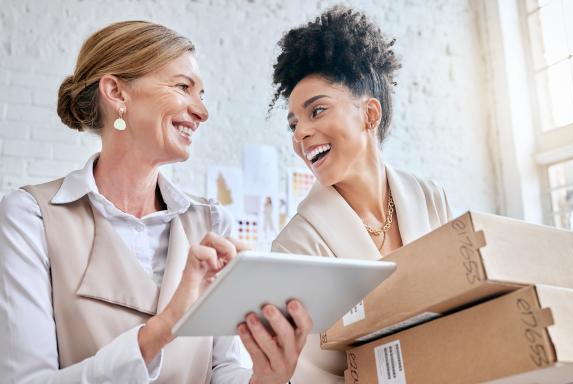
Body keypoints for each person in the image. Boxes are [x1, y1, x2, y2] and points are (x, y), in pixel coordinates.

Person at [0, 21, 312, 383]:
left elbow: (223, 370)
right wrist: (161, 329)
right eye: (183, 87)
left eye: (202, 94)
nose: (202, 111)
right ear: (116, 92)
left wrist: (268, 376)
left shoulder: (211, 222)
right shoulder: (31, 218)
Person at [270, 7, 452, 383]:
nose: (300, 134)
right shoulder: (295, 247)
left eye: (316, 111)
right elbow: (312, 376)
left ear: (370, 114)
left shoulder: (432, 199)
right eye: (293, 124)